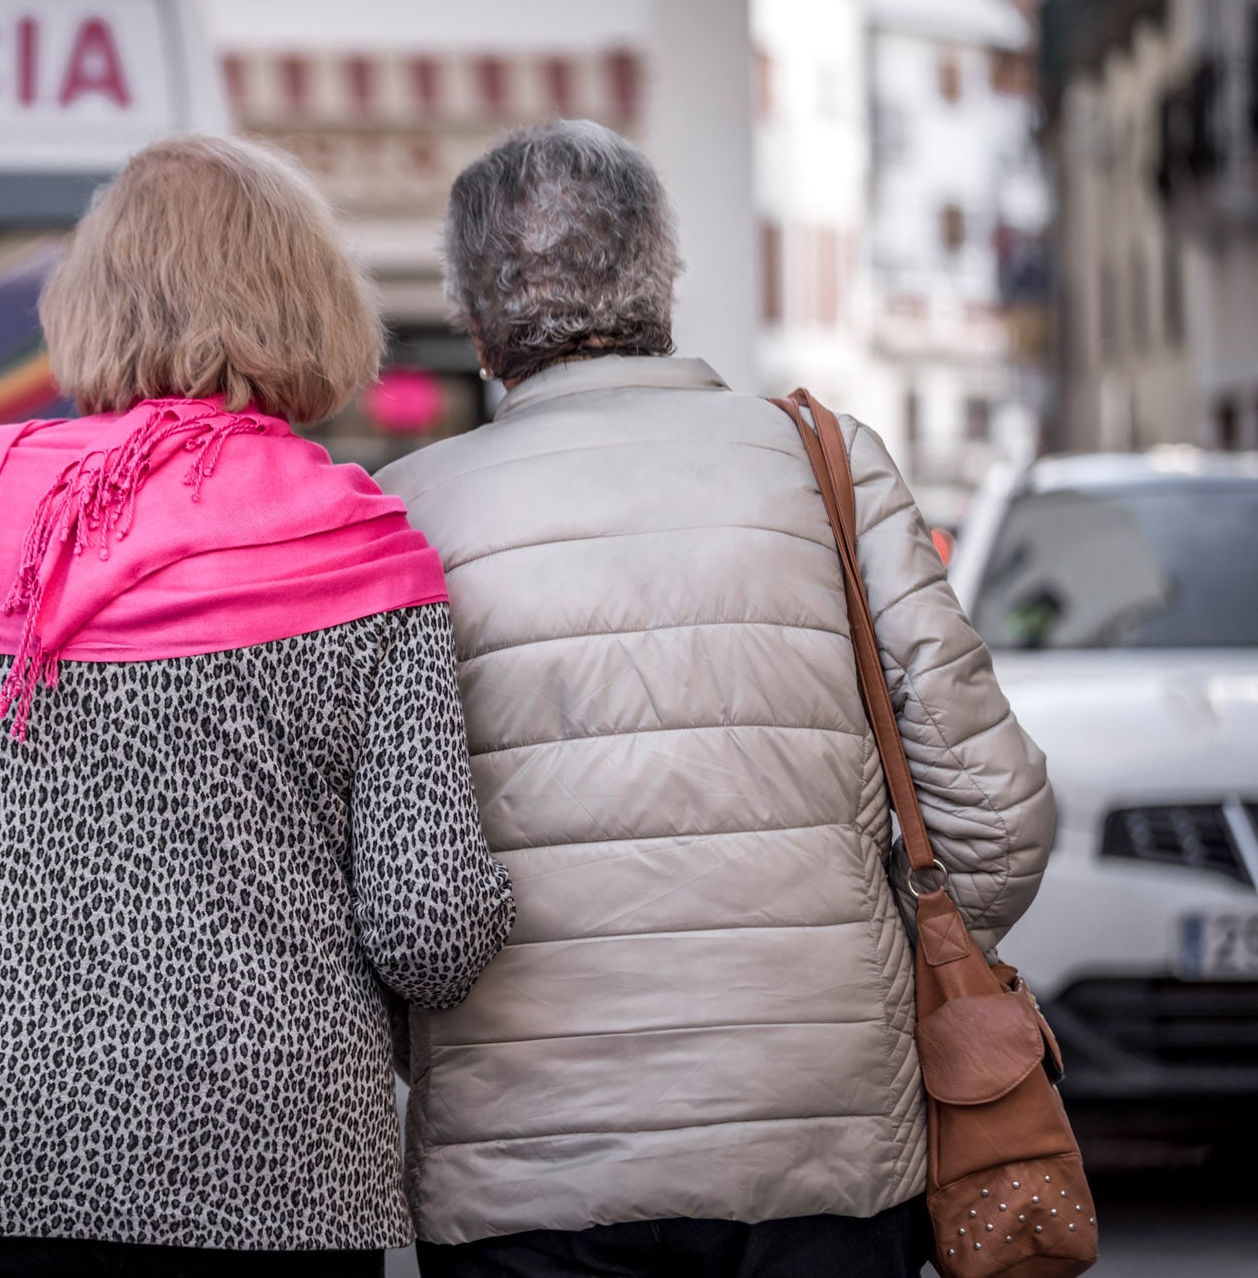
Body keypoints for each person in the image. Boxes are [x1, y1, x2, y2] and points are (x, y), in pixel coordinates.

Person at [378, 121, 1058, 1278]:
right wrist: (850, 974)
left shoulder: (401, 514)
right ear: (662, 279)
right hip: (820, 1149)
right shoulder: (820, 465)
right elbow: (994, 815)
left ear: (474, 318)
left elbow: (387, 878)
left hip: (525, 1175)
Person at [0, 134, 514, 1278]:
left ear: (88, 299)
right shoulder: (356, 542)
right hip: (265, 1157)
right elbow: (427, 928)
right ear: (311, 305)